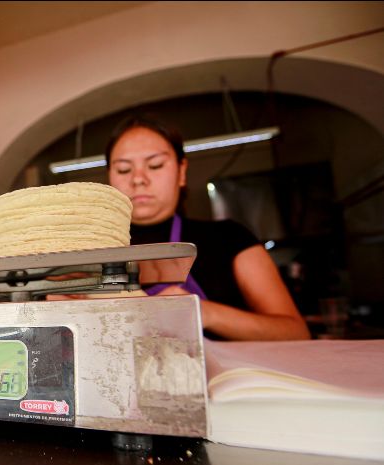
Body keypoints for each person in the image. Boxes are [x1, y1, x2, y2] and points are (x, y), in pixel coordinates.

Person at [105, 115, 310, 341]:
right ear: (109, 178)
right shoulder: (94, 253)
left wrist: (203, 311)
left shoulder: (230, 238)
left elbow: (296, 333)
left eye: (155, 165)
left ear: (182, 172)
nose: (138, 179)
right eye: (124, 170)